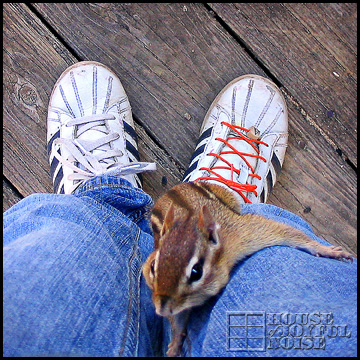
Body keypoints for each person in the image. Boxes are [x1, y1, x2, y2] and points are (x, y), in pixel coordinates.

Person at [3, 61, 356, 357]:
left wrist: (317, 248)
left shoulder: (228, 242)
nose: (160, 306)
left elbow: (279, 234)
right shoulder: (170, 283)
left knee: (60, 254)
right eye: (152, 268)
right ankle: (235, 201)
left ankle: (103, 207)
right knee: (281, 283)